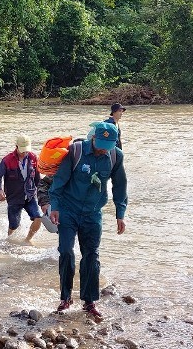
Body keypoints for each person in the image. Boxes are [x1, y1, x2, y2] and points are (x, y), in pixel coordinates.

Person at [48, 122, 127, 317]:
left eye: (107, 146)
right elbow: (59, 181)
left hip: (93, 213)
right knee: (66, 251)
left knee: (91, 255)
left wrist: (120, 213)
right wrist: (55, 207)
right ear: (93, 138)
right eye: (100, 145)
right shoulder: (76, 151)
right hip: (68, 209)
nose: (102, 150)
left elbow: (120, 186)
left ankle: (89, 301)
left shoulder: (116, 156)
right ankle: (65, 297)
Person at [0, 136, 43, 244]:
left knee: (38, 217)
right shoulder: (7, 160)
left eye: (26, 150)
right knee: (14, 225)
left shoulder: (33, 158)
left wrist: (44, 195)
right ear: (16, 147)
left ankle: (28, 240)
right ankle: (9, 242)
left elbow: (38, 179)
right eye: (22, 150)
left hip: (30, 195)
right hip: (14, 197)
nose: (25, 153)